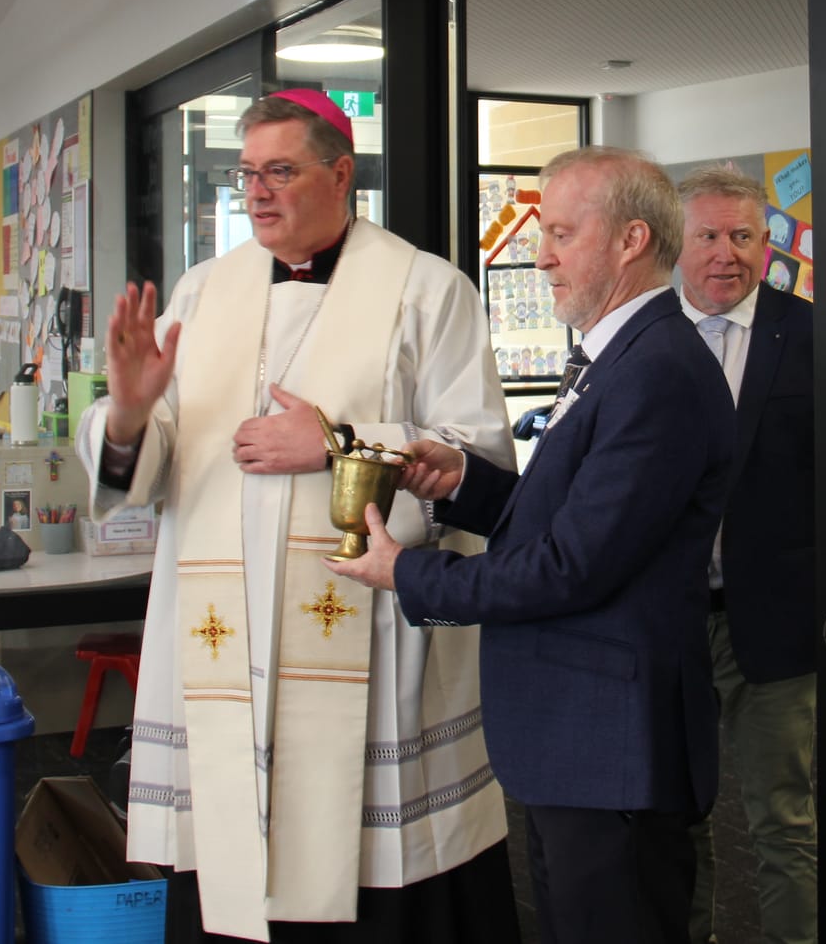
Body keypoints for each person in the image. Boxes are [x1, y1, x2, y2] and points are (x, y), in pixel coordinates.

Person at [75, 89, 519, 944]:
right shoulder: (203, 292)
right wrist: (128, 414)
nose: (258, 192)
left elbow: (479, 459)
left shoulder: (425, 288)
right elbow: (146, 456)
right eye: (248, 173)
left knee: (370, 866)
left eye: (281, 169)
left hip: (369, 630)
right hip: (224, 642)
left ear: (340, 171)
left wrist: (339, 443)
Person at [329, 146, 736, 944]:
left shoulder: (655, 369)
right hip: (580, 742)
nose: (540, 255)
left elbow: (570, 566)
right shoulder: (616, 354)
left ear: (630, 241)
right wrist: (464, 485)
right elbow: (579, 521)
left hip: (613, 747)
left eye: (559, 233)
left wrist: (409, 572)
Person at [676, 165, 818, 944]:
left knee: (784, 821)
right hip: (672, 624)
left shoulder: (809, 336)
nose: (725, 253)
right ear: (680, 244)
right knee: (676, 813)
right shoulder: (647, 338)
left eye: (742, 236)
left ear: (767, 244)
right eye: (708, 235)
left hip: (776, 625)